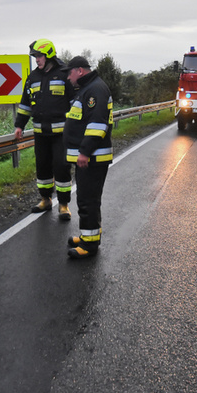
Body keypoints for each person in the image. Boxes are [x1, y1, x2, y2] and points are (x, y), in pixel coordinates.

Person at [14, 38, 75, 220]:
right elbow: (25, 104)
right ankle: (45, 200)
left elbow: (75, 104)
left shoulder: (65, 75)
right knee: (42, 167)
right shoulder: (32, 77)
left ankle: (63, 205)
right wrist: (19, 125)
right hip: (40, 134)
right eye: (35, 57)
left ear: (48, 55)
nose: (36, 60)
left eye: (39, 56)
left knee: (61, 167)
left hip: (61, 135)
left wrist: (77, 128)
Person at [62, 56, 113, 259]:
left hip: (92, 158)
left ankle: (89, 245)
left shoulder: (94, 90)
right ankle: (89, 236)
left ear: (80, 71)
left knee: (87, 200)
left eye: (70, 72)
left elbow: (98, 124)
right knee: (89, 199)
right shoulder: (87, 88)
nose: (68, 77)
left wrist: (84, 151)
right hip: (90, 157)